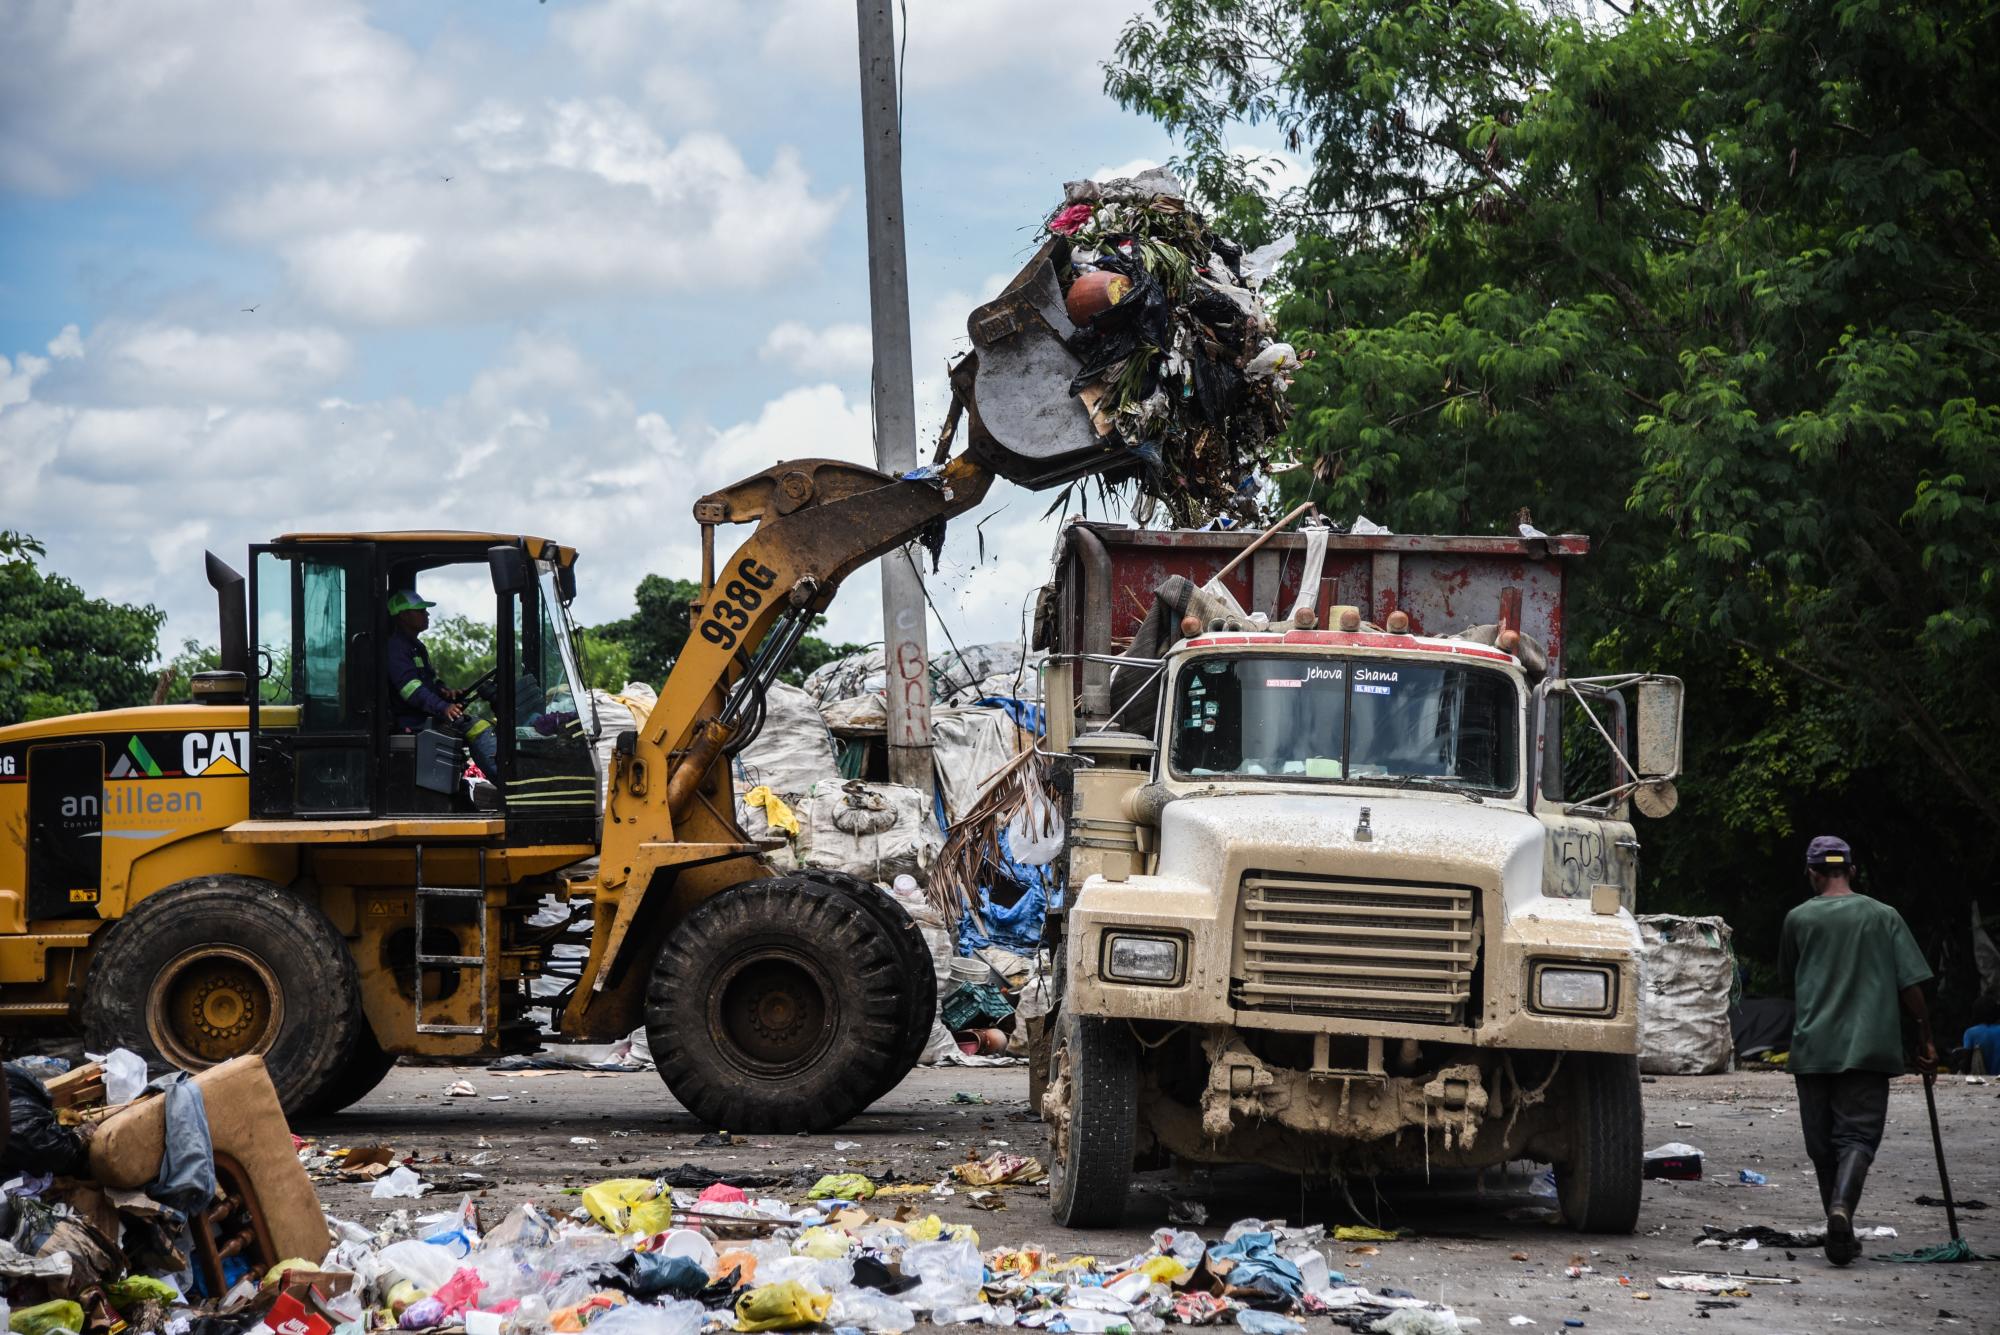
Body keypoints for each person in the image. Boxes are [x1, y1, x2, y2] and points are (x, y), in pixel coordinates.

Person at [1778, 835, 1935, 1266]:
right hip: (1869, 1050)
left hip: (1813, 1049)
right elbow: (1911, 987)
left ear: (1812, 873)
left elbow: (1790, 979)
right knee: (1857, 1138)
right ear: (1852, 869)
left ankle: (1838, 1228)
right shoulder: (1884, 916)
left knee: (1822, 1146)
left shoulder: (1797, 919)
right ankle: (1842, 1213)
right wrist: (1925, 1038)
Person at [385, 590, 499, 780]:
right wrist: (443, 707)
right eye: (421, 611)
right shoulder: (396, 649)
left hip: (424, 717)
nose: (427, 614)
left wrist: (445, 692)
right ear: (404, 616)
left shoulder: (416, 647)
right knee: (478, 727)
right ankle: (505, 780)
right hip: (412, 722)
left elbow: (427, 682)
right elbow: (411, 689)